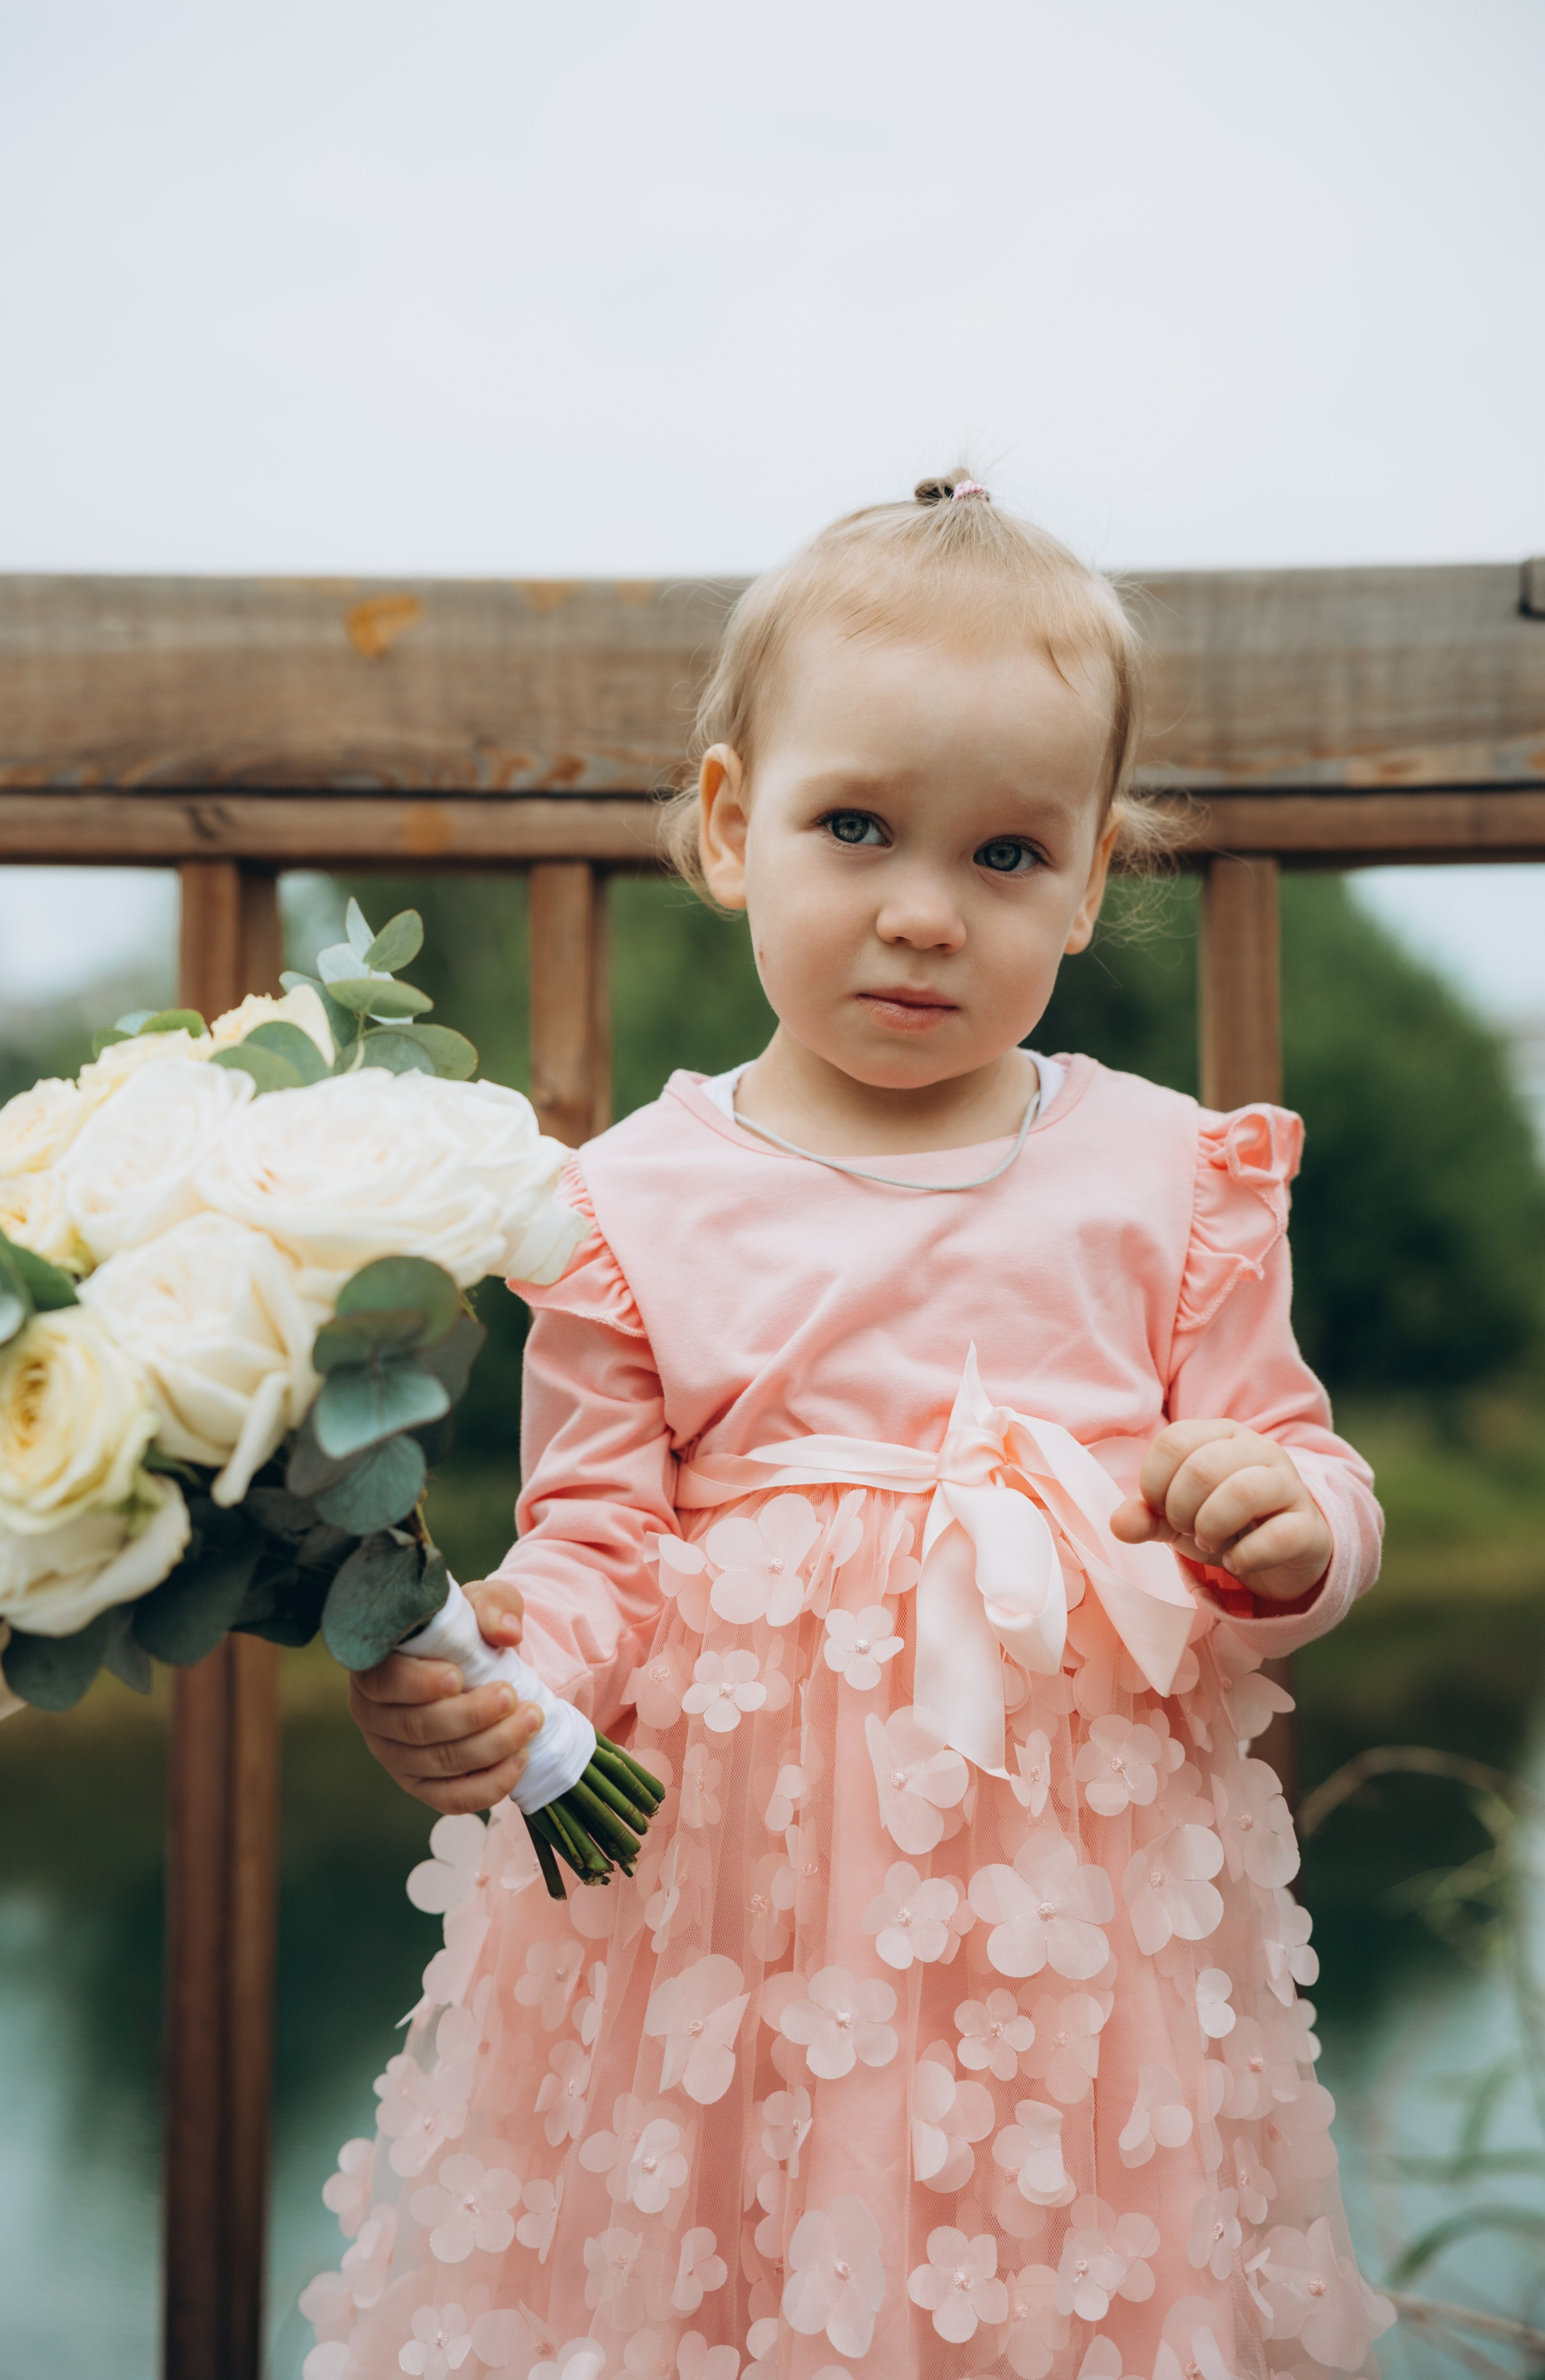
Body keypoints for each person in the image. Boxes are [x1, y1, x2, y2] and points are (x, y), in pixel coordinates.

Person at [302, 477, 1393, 2380]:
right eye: (857, 826)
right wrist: (506, 1665)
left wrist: (1284, 1522)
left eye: (1004, 856)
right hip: (727, 1925)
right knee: (730, 2285)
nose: (920, 910)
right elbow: (597, 1546)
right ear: (735, 828)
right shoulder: (630, 1205)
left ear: (1089, 874)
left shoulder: (1166, 1174)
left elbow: (1293, 1470)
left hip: (1067, 1933)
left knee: (1055, 2294)